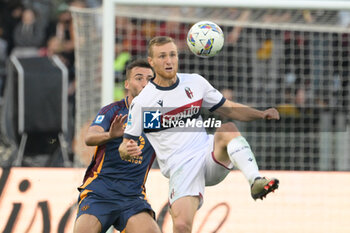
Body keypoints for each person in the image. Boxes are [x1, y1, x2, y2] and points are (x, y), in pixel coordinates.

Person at [119, 36, 280, 233]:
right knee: (181, 226)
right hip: (180, 166)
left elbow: (229, 109)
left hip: (207, 153)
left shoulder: (194, 83)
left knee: (228, 128)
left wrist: (260, 114)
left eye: (172, 55)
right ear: (151, 62)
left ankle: (255, 181)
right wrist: (127, 150)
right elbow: (125, 144)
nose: (169, 61)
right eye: (162, 56)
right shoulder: (143, 102)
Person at [74, 59, 161, 233]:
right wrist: (110, 135)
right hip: (99, 191)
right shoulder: (113, 111)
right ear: (127, 84)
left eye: (150, 79)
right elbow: (90, 137)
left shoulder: (157, 116)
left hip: (132, 196)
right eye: (139, 78)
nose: (146, 84)